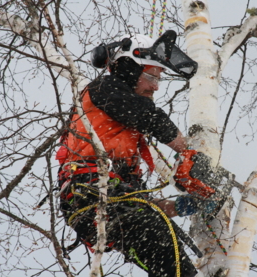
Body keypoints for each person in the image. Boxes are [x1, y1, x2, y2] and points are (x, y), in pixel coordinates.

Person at [55, 30, 207, 277]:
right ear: (129, 69)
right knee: (167, 250)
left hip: (104, 203)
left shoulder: (122, 138)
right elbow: (150, 116)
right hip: (90, 191)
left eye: (159, 79)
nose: (155, 86)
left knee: (173, 263)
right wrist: (192, 154)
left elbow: (137, 200)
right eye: (150, 76)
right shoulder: (103, 89)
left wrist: (182, 206)